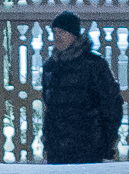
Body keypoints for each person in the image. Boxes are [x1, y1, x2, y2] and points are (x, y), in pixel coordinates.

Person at [41, 9, 123, 164]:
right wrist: (48, 140)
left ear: (73, 35)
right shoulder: (50, 67)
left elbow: (111, 105)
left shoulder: (94, 65)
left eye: (63, 33)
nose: (57, 37)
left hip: (88, 147)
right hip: (57, 148)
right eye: (55, 32)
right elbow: (49, 109)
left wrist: (107, 142)